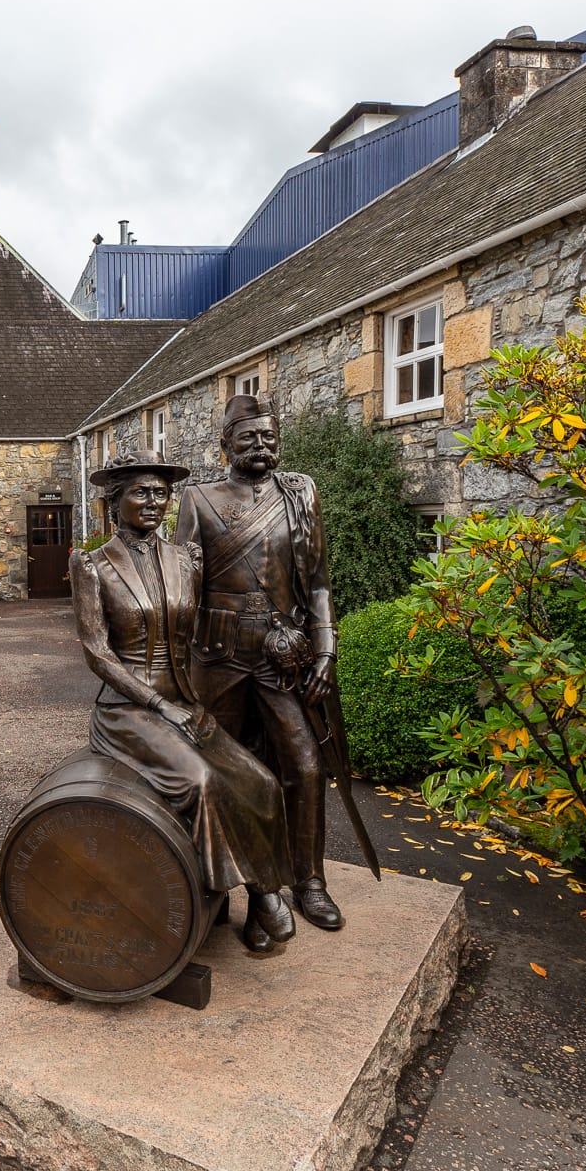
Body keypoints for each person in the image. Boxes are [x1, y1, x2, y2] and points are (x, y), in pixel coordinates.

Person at [70, 449, 297, 953]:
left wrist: (279, 637)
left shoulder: (186, 559)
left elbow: (218, 617)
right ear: (114, 502)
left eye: (161, 493)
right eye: (140, 492)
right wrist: (157, 705)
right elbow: (98, 654)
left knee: (260, 780)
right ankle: (257, 895)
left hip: (188, 702)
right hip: (128, 711)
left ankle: (263, 893)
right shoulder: (92, 565)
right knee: (203, 781)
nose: (154, 501)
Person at [175, 393, 381, 941]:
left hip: (280, 656)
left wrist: (326, 650)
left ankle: (307, 881)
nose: (261, 446)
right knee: (219, 775)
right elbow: (182, 591)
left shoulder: (300, 493)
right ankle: (223, 889)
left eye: (269, 437)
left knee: (305, 767)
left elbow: (317, 582)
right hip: (217, 660)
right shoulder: (198, 499)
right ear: (225, 445)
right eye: (249, 438)